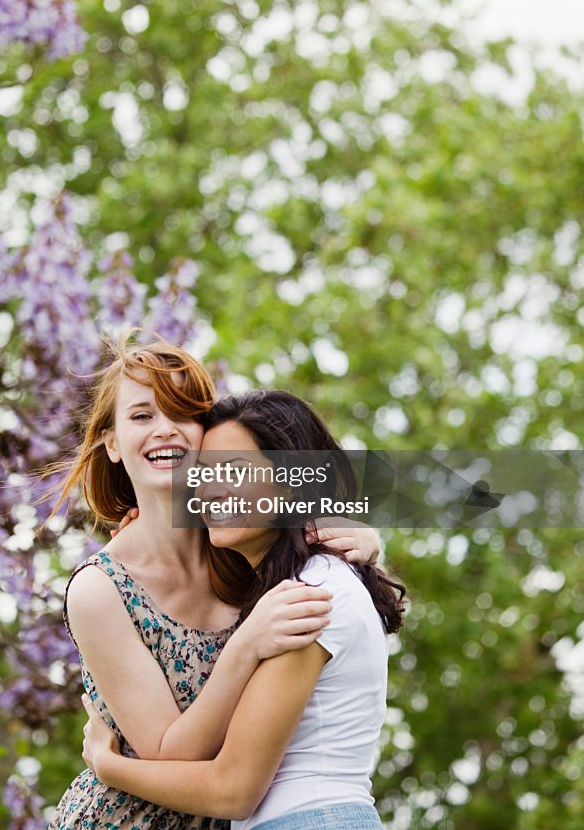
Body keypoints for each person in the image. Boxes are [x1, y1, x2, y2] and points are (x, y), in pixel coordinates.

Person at [47, 334, 381, 830]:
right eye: (141, 416)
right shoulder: (101, 589)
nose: (164, 430)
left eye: (182, 413)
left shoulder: (238, 544)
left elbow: (322, 541)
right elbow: (165, 751)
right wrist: (245, 644)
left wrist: (366, 541)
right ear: (112, 444)